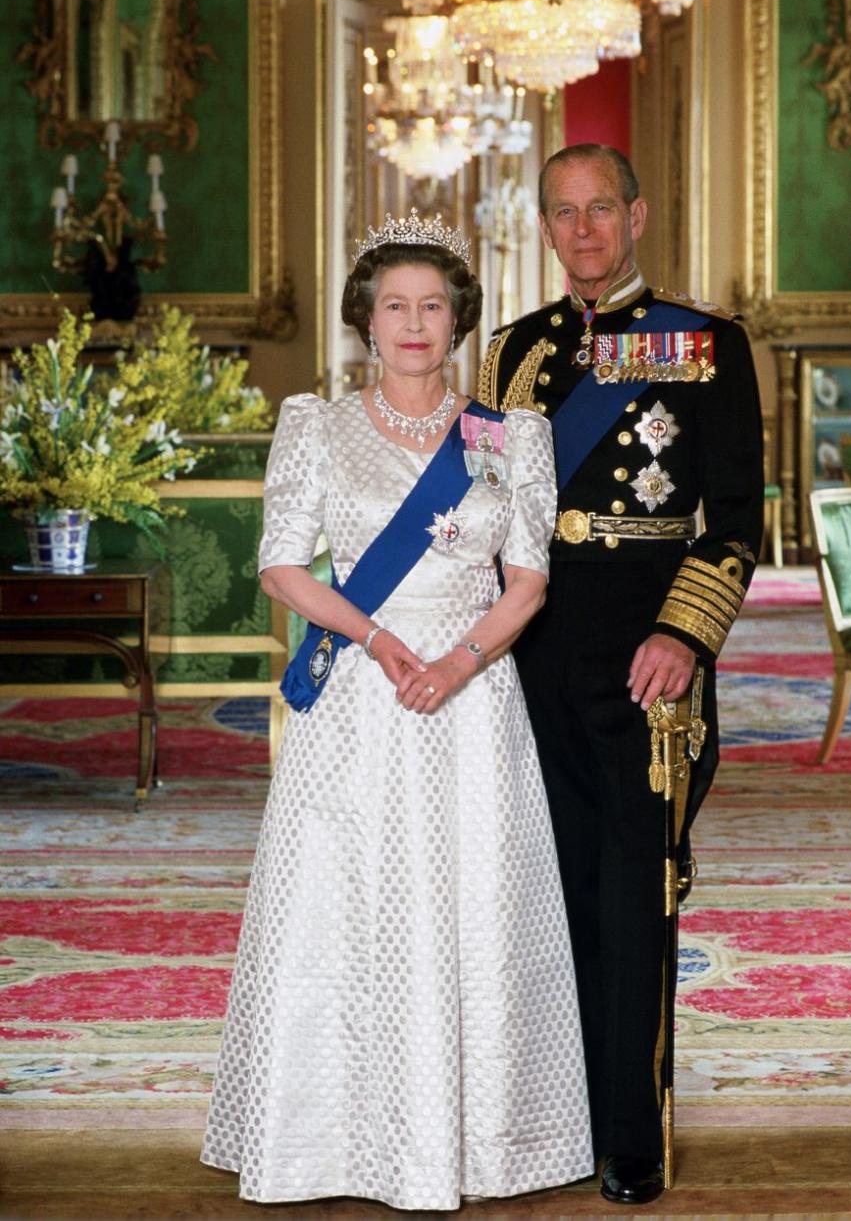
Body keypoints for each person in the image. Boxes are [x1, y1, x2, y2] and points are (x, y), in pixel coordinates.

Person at [201, 210, 594, 1210]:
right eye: (394, 307)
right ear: (365, 322)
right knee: (346, 904)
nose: (414, 324)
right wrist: (380, 642)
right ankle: (327, 1139)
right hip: (363, 698)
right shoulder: (316, 425)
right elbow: (281, 566)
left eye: (432, 305)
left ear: (457, 318)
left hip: (472, 695)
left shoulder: (510, 436)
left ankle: (484, 1141)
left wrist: (458, 660)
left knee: (477, 905)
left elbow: (529, 581)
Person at [478, 144, 765, 1205]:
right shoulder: (511, 354)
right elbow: (482, 510)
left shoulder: (706, 344)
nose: (585, 229)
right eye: (565, 212)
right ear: (545, 225)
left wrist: (685, 636)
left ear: (637, 215)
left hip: (648, 663)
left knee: (634, 897)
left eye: (603, 208)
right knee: (553, 893)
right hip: (534, 654)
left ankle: (631, 1135)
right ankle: (561, 1115)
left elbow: (737, 522)